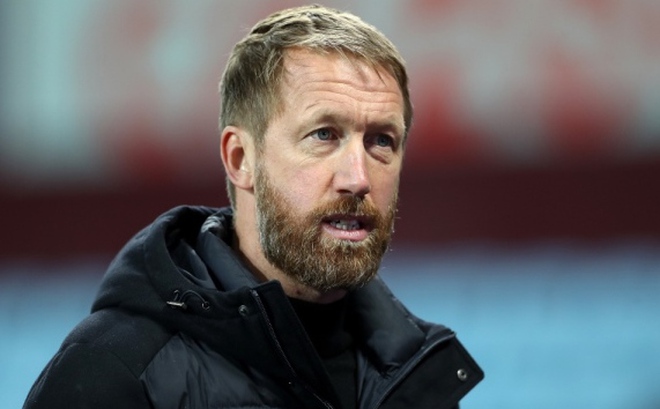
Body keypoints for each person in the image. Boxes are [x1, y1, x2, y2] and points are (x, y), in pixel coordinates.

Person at [24, 5, 483, 409]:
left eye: (381, 140)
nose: (358, 178)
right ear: (241, 159)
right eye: (324, 135)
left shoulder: (418, 374)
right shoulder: (115, 372)